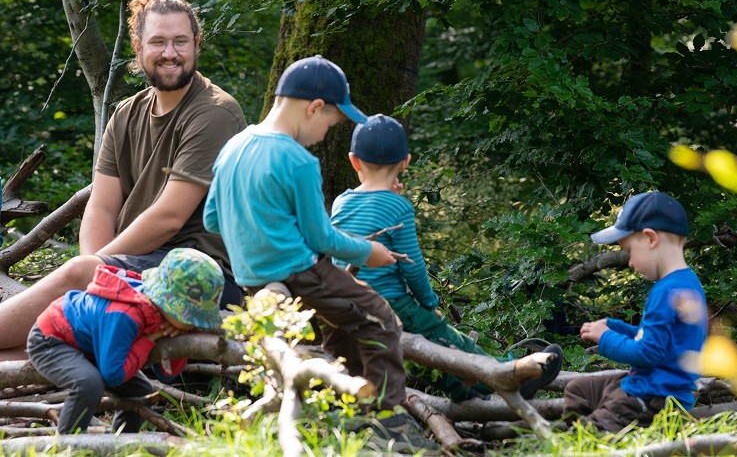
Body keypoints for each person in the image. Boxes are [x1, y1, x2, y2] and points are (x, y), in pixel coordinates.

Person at [0, 0, 246, 360]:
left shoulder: (215, 112)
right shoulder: (126, 113)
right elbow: (101, 207)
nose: (170, 53)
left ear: (197, 44)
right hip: (136, 264)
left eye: (181, 42)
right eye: (158, 42)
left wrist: (91, 272)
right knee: (47, 343)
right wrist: (94, 271)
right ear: (138, 47)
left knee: (75, 281)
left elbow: (168, 218)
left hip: (196, 279)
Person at [204, 55, 434, 451]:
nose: (326, 133)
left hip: (251, 278)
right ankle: (390, 427)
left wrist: (252, 239)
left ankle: (346, 411)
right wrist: (369, 252)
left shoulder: (233, 147)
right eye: (330, 123)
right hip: (300, 270)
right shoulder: (298, 160)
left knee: (343, 324)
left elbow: (212, 219)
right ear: (314, 108)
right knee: (380, 319)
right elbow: (321, 238)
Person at [330, 114, 563, 401]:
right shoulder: (398, 207)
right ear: (405, 162)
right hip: (390, 302)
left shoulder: (341, 202)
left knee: (424, 352)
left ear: (354, 161)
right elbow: (412, 266)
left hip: (350, 301)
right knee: (445, 336)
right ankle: (511, 374)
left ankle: (463, 390)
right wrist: (429, 303)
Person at [27, 248, 223, 434]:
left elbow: (166, 374)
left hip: (90, 346)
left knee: (141, 391)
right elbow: (113, 374)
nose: (194, 324)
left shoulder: (159, 315)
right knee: (88, 384)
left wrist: (178, 338)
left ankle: (121, 443)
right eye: (191, 317)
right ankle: (69, 444)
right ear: (170, 305)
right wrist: (148, 340)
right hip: (52, 339)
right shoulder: (125, 314)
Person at [563, 191, 708, 431]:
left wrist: (605, 338)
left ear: (650, 238)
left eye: (629, 251)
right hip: (647, 385)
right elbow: (659, 342)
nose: (629, 262)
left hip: (654, 398)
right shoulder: (687, 283)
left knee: (591, 432)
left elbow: (647, 353)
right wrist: (616, 327)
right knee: (578, 389)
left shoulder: (667, 291)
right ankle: (582, 429)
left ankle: (589, 436)